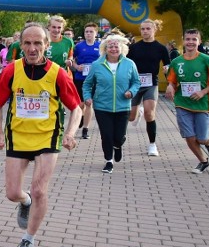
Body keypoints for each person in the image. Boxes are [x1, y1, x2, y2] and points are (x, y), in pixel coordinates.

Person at [0, 23, 82, 247]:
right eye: (28, 43)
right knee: (12, 193)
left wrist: (70, 133)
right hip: (18, 136)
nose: (32, 48)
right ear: (21, 45)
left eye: (38, 43)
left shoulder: (58, 73)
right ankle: (25, 200)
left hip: (47, 136)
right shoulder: (12, 71)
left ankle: (28, 240)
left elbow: (76, 108)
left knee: (40, 188)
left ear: (47, 45)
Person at [165, 29, 209, 173]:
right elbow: (172, 80)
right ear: (183, 41)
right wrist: (169, 87)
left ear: (199, 41)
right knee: (189, 136)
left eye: (194, 39)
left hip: (203, 104)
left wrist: (204, 91)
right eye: (188, 39)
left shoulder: (206, 59)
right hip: (182, 103)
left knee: (201, 138)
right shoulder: (177, 61)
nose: (190, 42)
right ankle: (203, 161)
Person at [82, 34, 140, 174]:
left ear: (122, 48)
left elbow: (136, 82)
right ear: (105, 49)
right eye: (110, 46)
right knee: (106, 135)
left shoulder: (129, 64)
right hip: (102, 106)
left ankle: (118, 145)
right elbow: (87, 84)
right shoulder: (97, 65)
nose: (113, 49)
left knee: (118, 137)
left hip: (123, 106)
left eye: (116, 46)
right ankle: (109, 161)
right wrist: (87, 97)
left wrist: (131, 92)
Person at [127, 19, 172, 156]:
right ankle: (138, 112)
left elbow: (169, 66)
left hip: (151, 84)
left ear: (154, 30)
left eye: (148, 29)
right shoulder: (134, 48)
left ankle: (152, 145)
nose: (145, 31)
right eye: (143, 29)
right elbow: (127, 64)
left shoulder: (160, 48)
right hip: (135, 84)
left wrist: (167, 70)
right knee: (130, 117)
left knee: (149, 113)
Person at [72, 22, 102, 139]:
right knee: (80, 104)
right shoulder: (79, 46)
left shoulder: (100, 46)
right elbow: (72, 59)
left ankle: (85, 129)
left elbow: (104, 61)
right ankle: (81, 117)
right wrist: (76, 66)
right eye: (86, 32)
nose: (88, 34)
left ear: (96, 33)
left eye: (91, 32)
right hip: (80, 78)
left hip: (94, 80)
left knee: (89, 103)